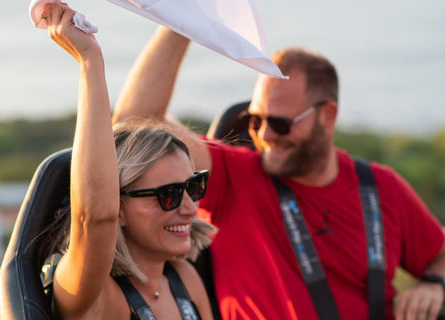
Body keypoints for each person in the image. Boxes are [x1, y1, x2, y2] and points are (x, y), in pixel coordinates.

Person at [112, 26, 445, 320]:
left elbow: (439, 256)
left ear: (327, 117)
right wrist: (183, 20)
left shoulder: (380, 187)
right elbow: (134, 126)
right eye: (255, 120)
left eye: (281, 123)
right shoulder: (237, 175)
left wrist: (434, 283)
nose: (265, 136)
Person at [39, 5, 216, 320]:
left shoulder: (184, 280)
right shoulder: (91, 294)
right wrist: (90, 62)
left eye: (193, 186)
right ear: (118, 208)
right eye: (169, 194)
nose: (190, 207)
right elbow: (95, 218)